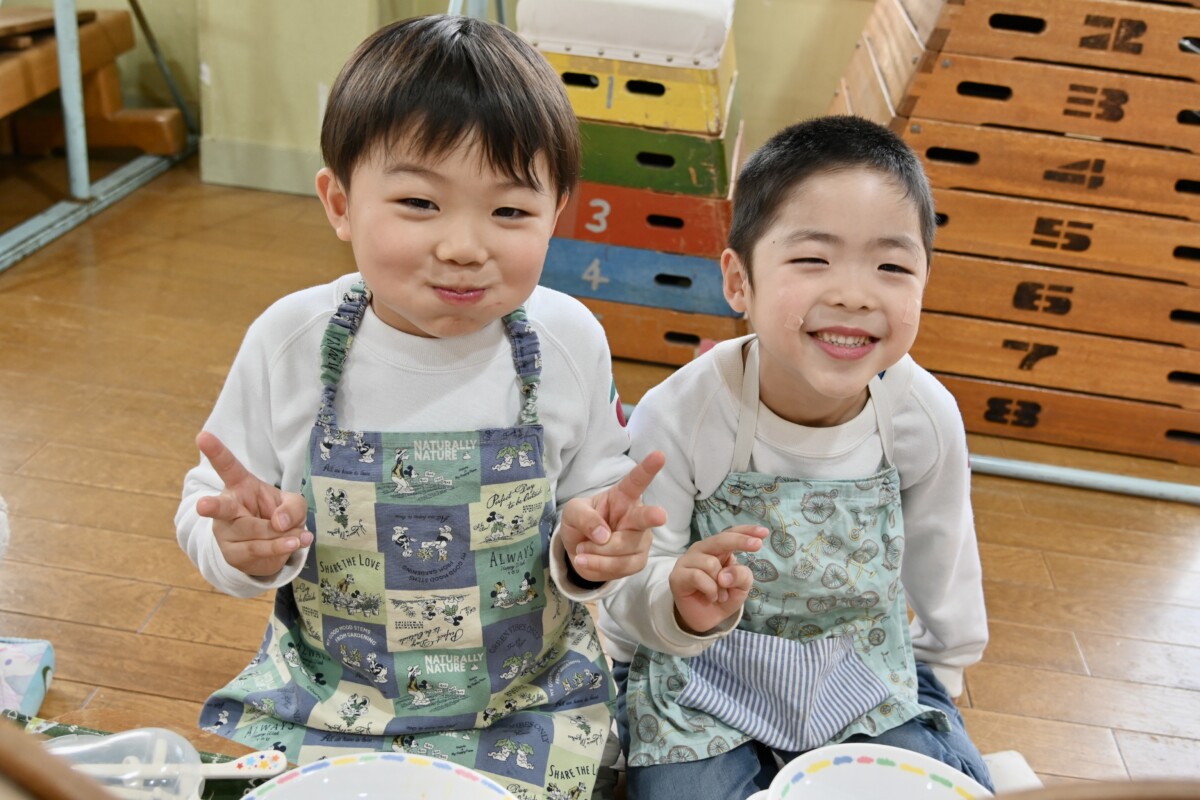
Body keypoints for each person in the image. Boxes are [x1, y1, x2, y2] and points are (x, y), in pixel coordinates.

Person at [174, 15, 665, 799]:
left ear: (556, 212)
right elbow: (210, 504)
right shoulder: (290, 340)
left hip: (526, 704)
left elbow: (594, 500)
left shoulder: (569, 339)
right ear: (340, 202)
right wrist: (241, 549)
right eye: (419, 202)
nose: (465, 246)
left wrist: (593, 550)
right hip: (329, 702)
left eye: (510, 212)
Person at [599, 115, 992, 799]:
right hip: (702, 677)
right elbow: (634, 582)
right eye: (813, 259)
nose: (853, 294)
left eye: (892, 267)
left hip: (861, 677)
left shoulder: (921, 416)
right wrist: (668, 616)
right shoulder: (684, 410)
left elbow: (944, 558)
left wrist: (943, 680)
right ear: (739, 281)